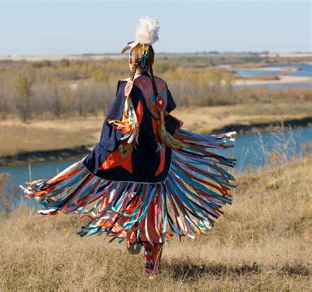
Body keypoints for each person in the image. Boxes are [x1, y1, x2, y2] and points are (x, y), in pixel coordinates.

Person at [20, 17, 236, 277]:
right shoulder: (162, 85)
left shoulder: (127, 87)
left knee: (126, 200)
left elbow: (115, 124)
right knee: (153, 209)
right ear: (151, 61)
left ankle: (133, 234)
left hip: (131, 161)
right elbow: (163, 117)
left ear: (132, 60)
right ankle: (151, 260)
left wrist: (100, 152)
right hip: (157, 163)